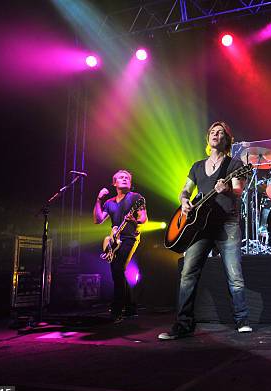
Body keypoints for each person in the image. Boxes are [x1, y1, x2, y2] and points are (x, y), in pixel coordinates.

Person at [158, 121, 251, 340]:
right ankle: (183, 324)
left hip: (227, 223)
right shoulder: (197, 166)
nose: (215, 135)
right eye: (212, 132)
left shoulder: (234, 163)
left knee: (234, 274)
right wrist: (184, 202)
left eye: (220, 133)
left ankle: (242, 320)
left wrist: (226, 188)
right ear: (208, 138)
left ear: (227, 139)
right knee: (188, 273)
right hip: (200, 227)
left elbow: (238, 189)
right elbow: (185, 190)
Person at [93, 170, 147, 323]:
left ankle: (116, 311)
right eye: (121, 177)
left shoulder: (136, 198)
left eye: (127, 178)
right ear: (114, 183)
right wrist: (98, 199)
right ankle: (130, 307)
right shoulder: (109, 202)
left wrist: (134, 220)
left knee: (117, 269)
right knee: (118, 272)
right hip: (114, 240)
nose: (124, 179)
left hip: (130, 238)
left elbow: (143, 218)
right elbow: (98, 220)